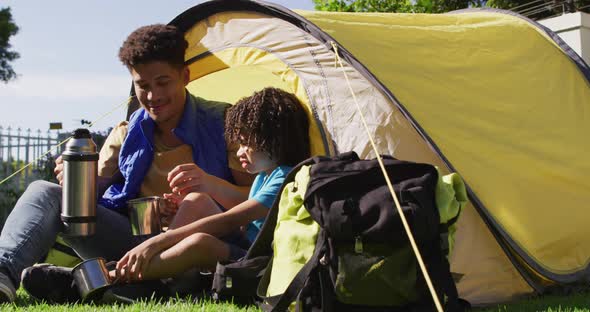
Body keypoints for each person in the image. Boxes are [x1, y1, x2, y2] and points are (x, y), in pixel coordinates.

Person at [0, 24, 251, 303]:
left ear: (185, 76)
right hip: (136, 243)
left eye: (163, 82)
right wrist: (75, 185)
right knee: (45, 192)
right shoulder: (126, 132)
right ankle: (3, 275)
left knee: (195, 204)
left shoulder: (224, 124)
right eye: (143, 86)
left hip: (199, 249)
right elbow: (93, 198)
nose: (153, 97)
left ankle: (98, 283)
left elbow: (257, 203)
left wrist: (210, 186)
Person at [114, 87, 311, 282]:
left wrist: (159, 240)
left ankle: (118, 277)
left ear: (274, 140)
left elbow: (229, 221)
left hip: (259, 262)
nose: (240, 152)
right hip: (247, 247)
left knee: (200, 243)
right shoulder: (264, 176)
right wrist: (183, 212)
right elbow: (246, 228)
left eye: (246, 144)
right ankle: (155, 267)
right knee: (195, 200)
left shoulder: (285, 179)